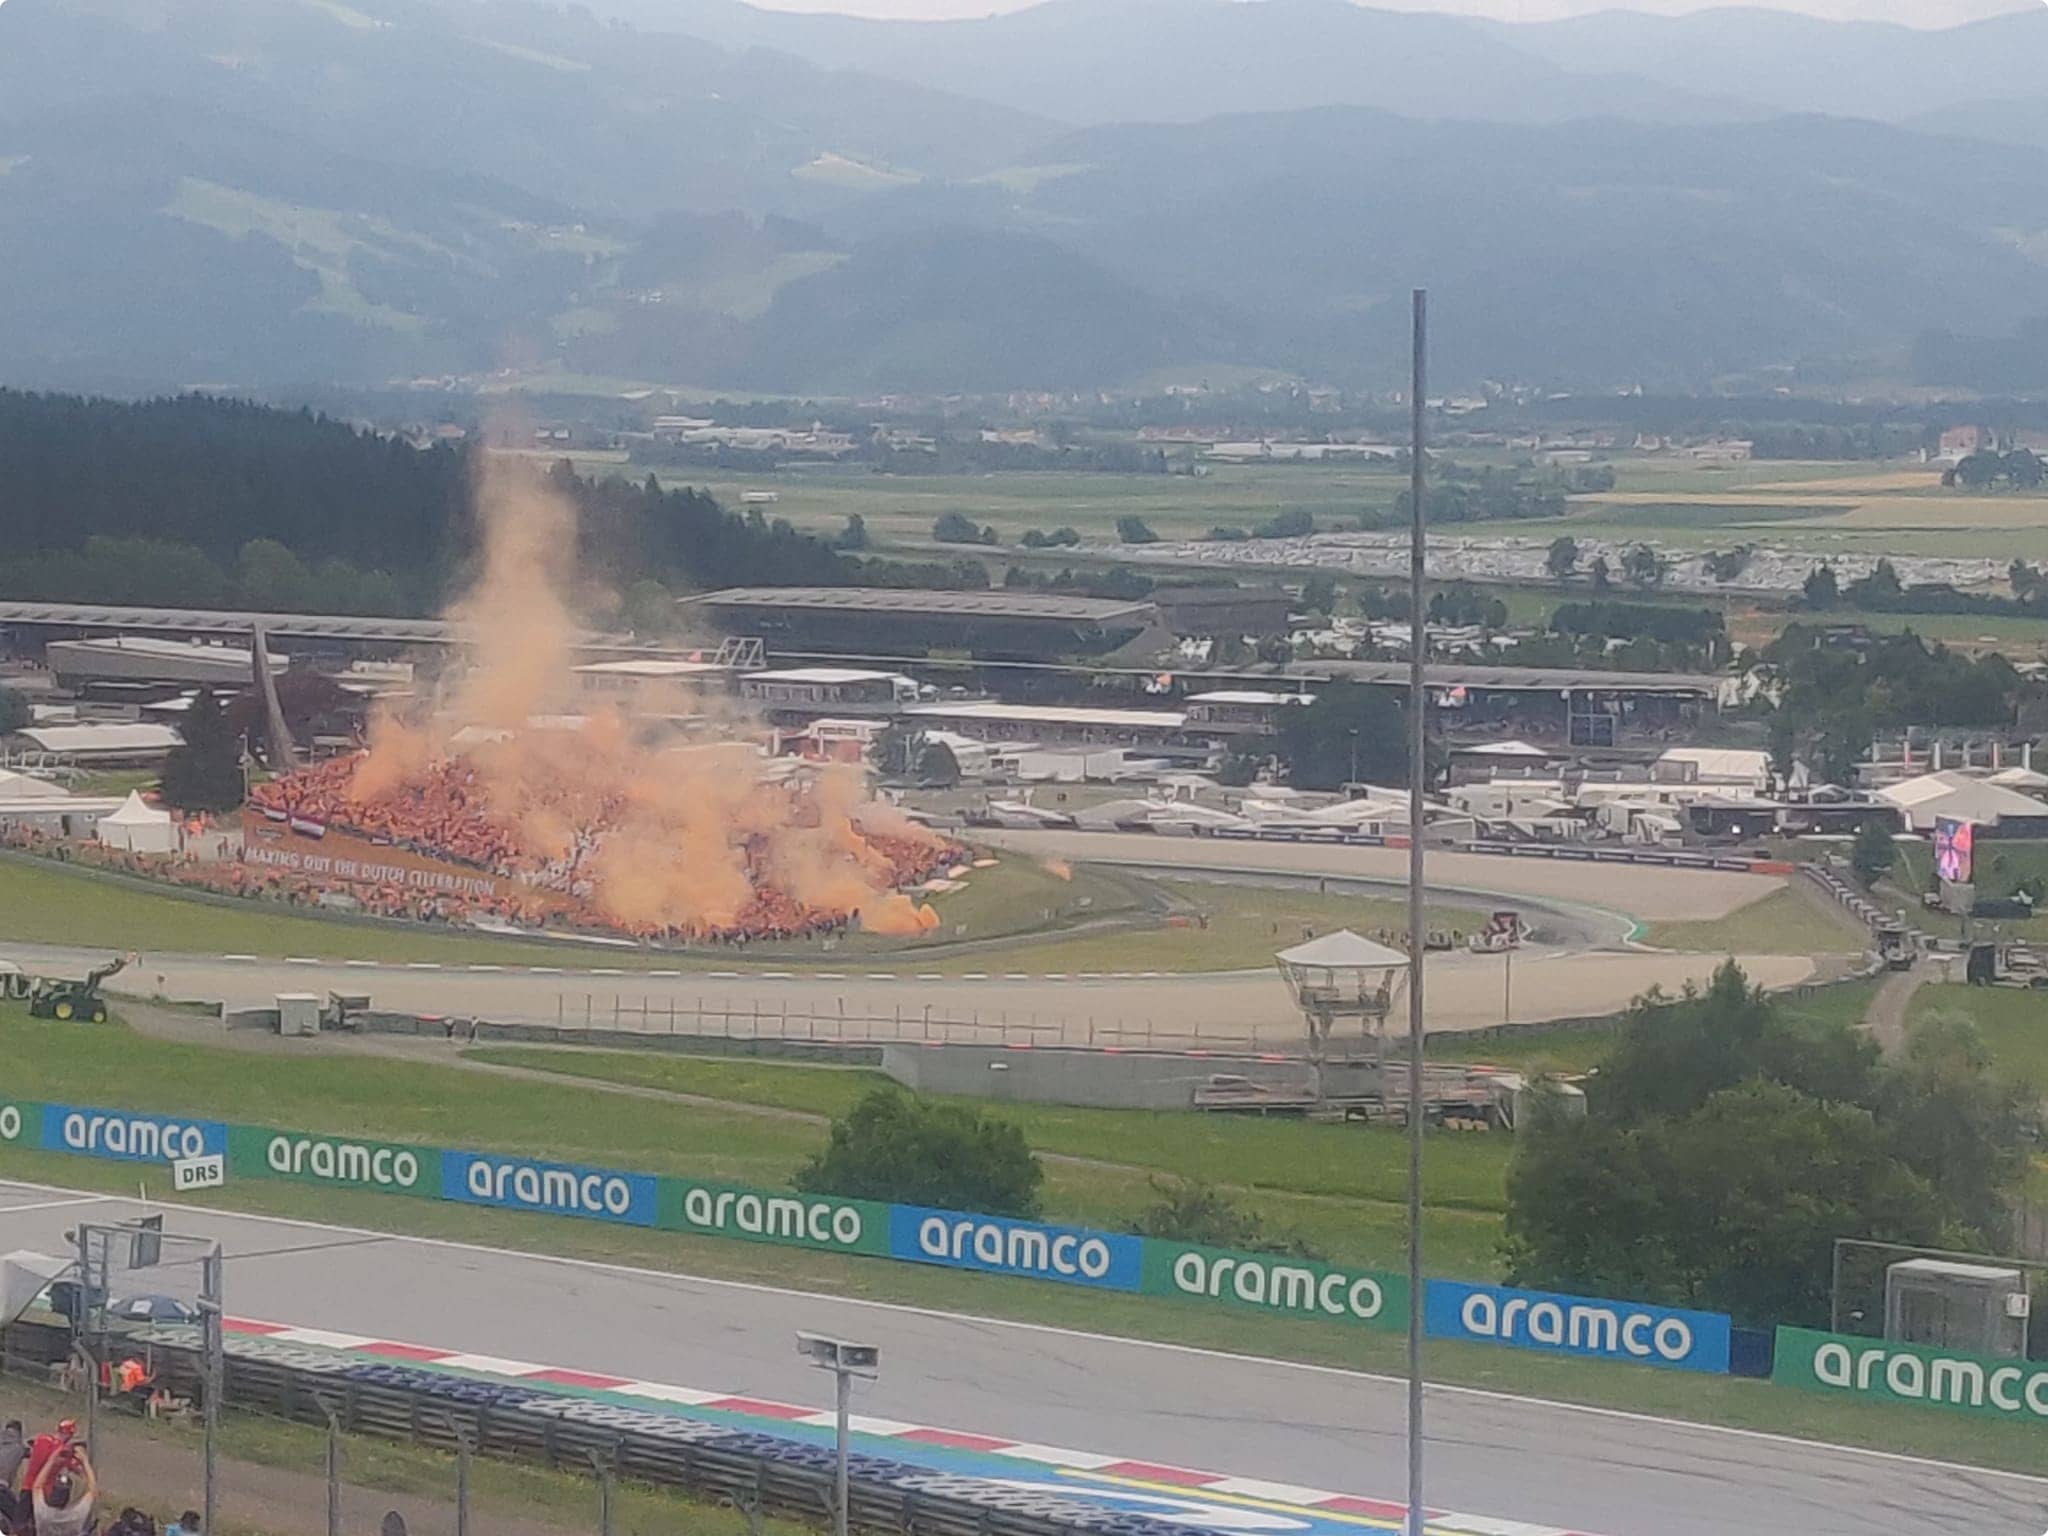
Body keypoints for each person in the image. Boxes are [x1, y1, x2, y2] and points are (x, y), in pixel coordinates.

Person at [29, 1443, 95, 1536]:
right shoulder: (75, 1516)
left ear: (51, 1495)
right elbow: (92, 1490)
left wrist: (51, 1460)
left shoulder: (43, 1514)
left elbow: (37, 1487)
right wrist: (85, 1462)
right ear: (67, 1499)